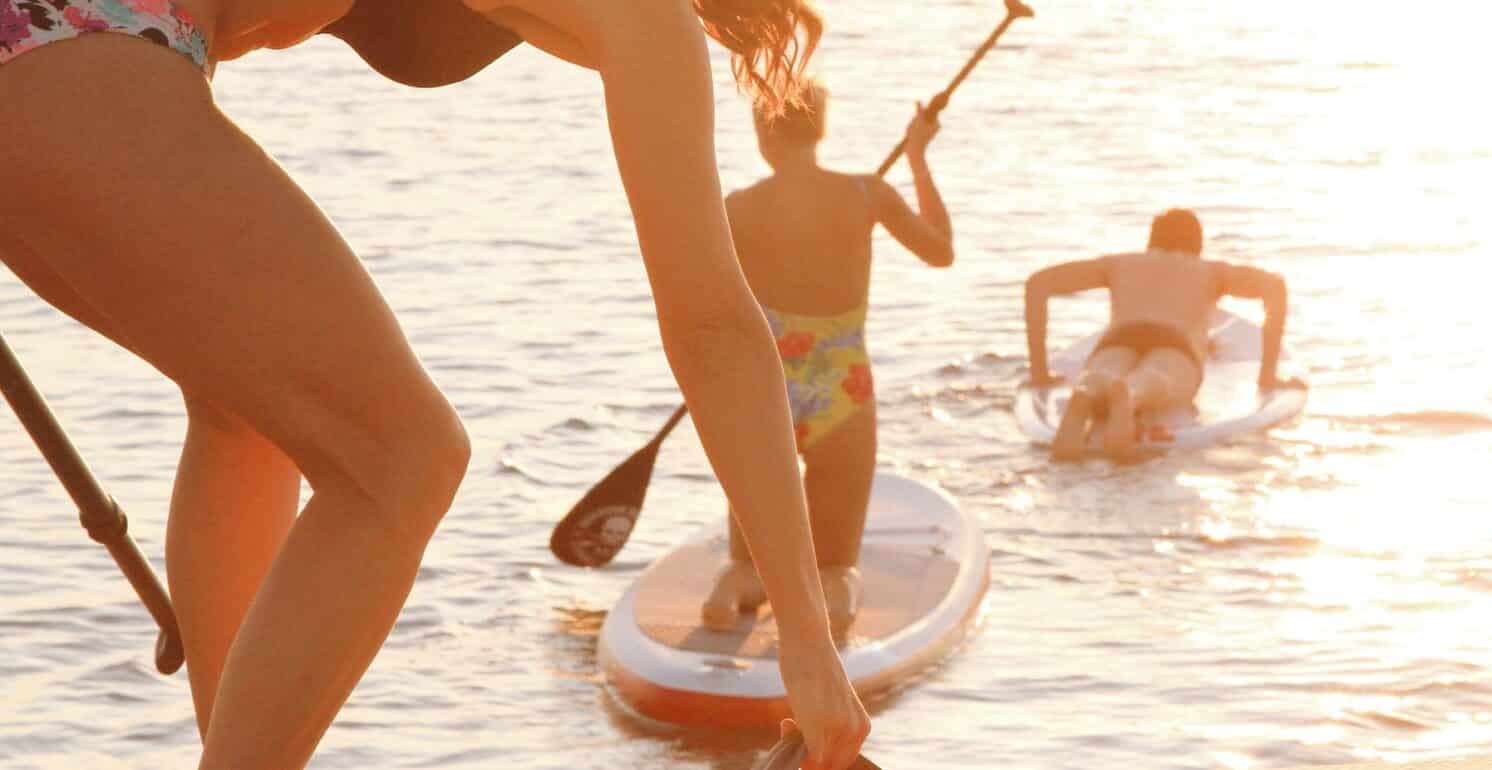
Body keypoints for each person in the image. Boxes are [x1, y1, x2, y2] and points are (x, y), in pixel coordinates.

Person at [0, 0, 869, 767]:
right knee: (405, 455)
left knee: (253, 416)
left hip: (71, 51)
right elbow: (712, 327)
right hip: (80, 38)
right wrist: (806, 637)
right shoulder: (641, 17)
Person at [701, 79, 954, 635]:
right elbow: (941, 251)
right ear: (820, 130)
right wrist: (916, 157)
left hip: (762, 389)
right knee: (837, 570)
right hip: (842, 389)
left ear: (763, 135)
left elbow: (709, 304)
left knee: (749, 563)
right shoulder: (867, 194)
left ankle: (735, 589)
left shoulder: (737, 208)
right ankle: (833, 609)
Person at [1024, 208, 1302, 461]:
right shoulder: (1210, 271)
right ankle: (1131, 393)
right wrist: (1267, 376)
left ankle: (1087, 392)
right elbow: (1275, 287)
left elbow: (1038, 284)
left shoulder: (1119, 263)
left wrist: (1039, 372)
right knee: (1158, 377)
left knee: (1103, 372)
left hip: (1119, 339)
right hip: (1174, 344)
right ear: (1198, 246)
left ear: (1151, 240)